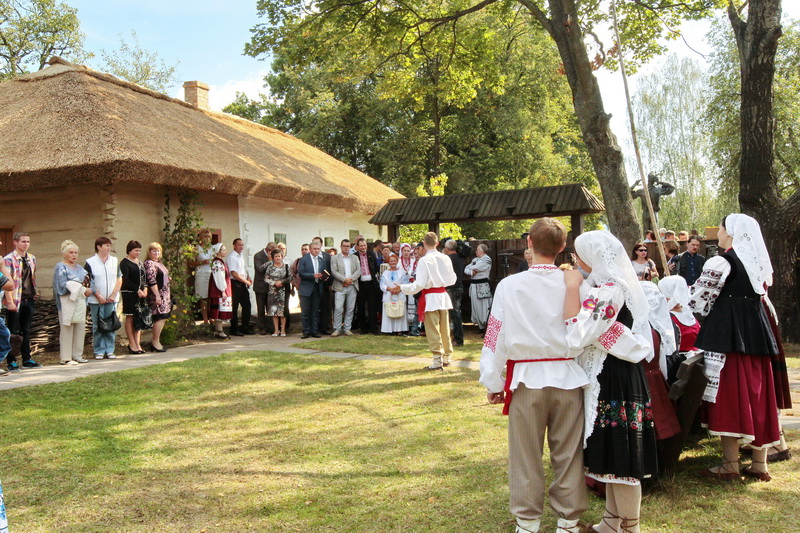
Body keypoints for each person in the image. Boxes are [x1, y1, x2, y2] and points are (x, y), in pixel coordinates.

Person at [479, 218, 589, 533]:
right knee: (569, 452)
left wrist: (493, 380)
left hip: (527, 379)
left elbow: (495, 336)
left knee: (525, 453)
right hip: (566, 376)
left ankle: (528, 522)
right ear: (563, 246)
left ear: (529, 242)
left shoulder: (509, 285)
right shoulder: (575, 282)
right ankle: (567, 521)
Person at [565, 230, 656, 533]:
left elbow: (579, 333)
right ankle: (610, 522)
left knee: (622, 456)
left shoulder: (608, 290)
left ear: (592, 256)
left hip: (614, 376)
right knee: (613, 454)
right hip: (614, 372)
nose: (576, 260)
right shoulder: (608, 286)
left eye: (578, 254)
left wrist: (572, 295)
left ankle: (630, 527)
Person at [688, 214, 780, 482]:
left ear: (730, 231)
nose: (718, 232)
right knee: (758, 394)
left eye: (720, 228)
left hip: (728, 333)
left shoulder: (722, 261)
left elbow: (698, 301)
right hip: (756, 331)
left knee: (729, 394)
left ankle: (730, 465)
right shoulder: (756, 263)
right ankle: (760, 464)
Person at [391, 232, 457, 370]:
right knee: (444, 328)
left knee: (433, 329)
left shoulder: (425, 260)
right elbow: (452, 279)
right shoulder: (445, 258)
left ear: (424, 243)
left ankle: (437, 360)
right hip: (443, 296)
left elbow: (419, 284)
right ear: (437, 243)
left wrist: (402, 287)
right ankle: (447, 356)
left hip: (431, 297)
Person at [3, 232, 41, 370]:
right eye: (23, 241)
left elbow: (32, 276)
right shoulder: (8, 259)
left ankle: (27, 359)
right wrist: (9, 301)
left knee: (26, 330)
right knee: (13, 331)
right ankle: (11, 361)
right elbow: (6, 282)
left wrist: (34, 291)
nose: (26, 244)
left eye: (28, 242)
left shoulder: (31, 258)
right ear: (15, 242)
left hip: (28, 297)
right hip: (15, 298)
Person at [53, 240, 92, 365]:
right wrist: (78, 287)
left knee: (80, 328)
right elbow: (61, 286)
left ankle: (77, 355)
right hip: (67, 302)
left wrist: (86, 289)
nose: (74, 255)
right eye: (71, 252)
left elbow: (86, 282)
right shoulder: (61, 267)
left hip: (80, 301)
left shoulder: (80, 268)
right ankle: (66, 357)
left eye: (76, 252)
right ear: (64, 254)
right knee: (67, 329)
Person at [85, 237, 122, 360]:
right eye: (106, 245)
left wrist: (113, 295)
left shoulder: (114, 261)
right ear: (99, 247)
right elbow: (88, 281)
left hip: (112, 299)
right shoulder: (90, 262)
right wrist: (98, 296)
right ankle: (99, 350)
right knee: (97, 325)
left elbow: (119, 279)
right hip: (96, 300)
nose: (109, 248)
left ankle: (110, 349)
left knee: (111, 324)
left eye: (110, 246)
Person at [120, 240, 147, 354]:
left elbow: (144, 278)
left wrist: (145, 289)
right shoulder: (124, 263)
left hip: (140, 294)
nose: (138, 253)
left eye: (139, 251)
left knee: (138, 317)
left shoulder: (139, 262)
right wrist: (137, 289)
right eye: (136, 250)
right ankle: (131, 343)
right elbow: (126, 279)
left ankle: (138, 343)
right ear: (129, 250)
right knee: (130, 317)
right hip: (129, 293)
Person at [144, 242, 172, 352]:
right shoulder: (149, 263)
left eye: (158, 251)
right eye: (154, 251)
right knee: (160, 317)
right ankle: (155, 342)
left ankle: (157, 341)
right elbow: (151, 280)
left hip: (165, 294)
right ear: (149, 252)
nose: (156, 253)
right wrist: (157, 295)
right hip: (157, 294)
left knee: (164, 317)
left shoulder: (159, 263)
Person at [298, 241, 329, 338]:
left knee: (315, 311)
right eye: (314, 249)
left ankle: (315, 330)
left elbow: (324, 272)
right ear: (310, 249)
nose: (316, 251)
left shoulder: (322, 260)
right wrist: (313, 275)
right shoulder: (304, 259)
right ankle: (306, 331)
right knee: (306, 311)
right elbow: (301, 273)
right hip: (306, 288)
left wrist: (324, 277)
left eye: (318, 249)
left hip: (317, 287)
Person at [330, 239, 361, 337]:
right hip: (340, 286)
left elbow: (359, 271)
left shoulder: (355, 258)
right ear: (341, 246)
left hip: (352, 286)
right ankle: (337, 329)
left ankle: (347, 328)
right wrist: (344, 280)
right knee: (338, 308)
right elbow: (334, 271)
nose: (346, 248)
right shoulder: (335, 258)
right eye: (344, 246)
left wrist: (350, 280)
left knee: (350, 308)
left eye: (348, 246)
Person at [227, 238, 253, 336]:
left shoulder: (241, 256)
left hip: (243, 283)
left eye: (242, 245)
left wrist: (248, 277)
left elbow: (243, 269)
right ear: (234, 246)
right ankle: (234, 329)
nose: (241, 247)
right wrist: (245, 281)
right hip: (235, 283)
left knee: (247, 305)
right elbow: (234, 273)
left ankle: (245, 327)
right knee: (234, 307)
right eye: (239, 245)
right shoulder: (232, 257)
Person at [355, 238, 381, 335]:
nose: (363, 247)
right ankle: (363, 328)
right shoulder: (355, 256)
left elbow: (376, 267)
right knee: (361, 306)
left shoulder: (371, 254)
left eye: (364, 245)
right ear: (357, 247)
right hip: (360, 284)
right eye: (361, 246)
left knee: (372, 306)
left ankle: (373, 327)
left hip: (371, 283)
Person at [464, 243, 492, 333]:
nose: (476, 251)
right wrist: (471, 272)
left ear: (482, 251)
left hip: (482, 285)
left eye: (478, 250)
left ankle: (485, 325)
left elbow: (478, 267)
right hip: (474, 285)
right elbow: (466, 269)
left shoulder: (487, 259)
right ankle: (480, 326)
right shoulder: (475, 259)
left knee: (483, 305)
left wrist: (472, 268)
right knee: (475, 305)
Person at [208, 243, 232, 340]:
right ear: (218, 252)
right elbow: (219, 277)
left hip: (222, 289)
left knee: (221, 311)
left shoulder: (221, 262)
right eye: (223, 250)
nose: (226, 251)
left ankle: (219, 330)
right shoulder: (217, 263)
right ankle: (219, 331)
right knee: (219, 310)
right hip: (219, 290)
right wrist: (222, 290)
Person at [443, 240, 465, 346]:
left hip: (452, 287)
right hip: (459, 286)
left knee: (455, 314)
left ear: (447, 248)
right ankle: (455, 337)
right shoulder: (460, 257)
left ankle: (458, 339)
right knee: (456, 312)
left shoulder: (448, 259)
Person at [380, 254, 408, 335]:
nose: (393, 262)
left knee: (399, 309)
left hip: (399, 294)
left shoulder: (402, 272)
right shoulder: (385, 273)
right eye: (391, 261)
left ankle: (399, 330)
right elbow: (382, 284)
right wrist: (389, 289)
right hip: (388, 294)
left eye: (394, 261)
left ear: (397, 261)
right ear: (388, 262)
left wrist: (398, 289)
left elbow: (406, 283)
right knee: (388, 310)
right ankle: (389, 329)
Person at [265, 248, 291, 336]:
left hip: (283, 291)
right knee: (274, 311)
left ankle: (283, 330)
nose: (277, 258)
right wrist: (274, 283)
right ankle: (276, 330)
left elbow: (290, 277)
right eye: (276, 256)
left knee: (282, 311)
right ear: (273, 257)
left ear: (282, 257)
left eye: (279, 256)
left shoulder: (286, 267)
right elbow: (266, 279)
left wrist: (281, 282)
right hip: (273, 291)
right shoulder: (270, 267)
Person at [191, 229, 214, 324]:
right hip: (201, 274)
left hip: (212, 274)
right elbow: (191, 263)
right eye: (205, 236)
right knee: (203, 297)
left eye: (209, 237)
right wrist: (202, 262)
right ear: (201, 237)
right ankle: (205, 319)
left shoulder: (213, 248)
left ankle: (212, 317)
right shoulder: (197, 248)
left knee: (212, 296)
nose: (207, 238)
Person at [253, 242, 277, 335]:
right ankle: (262, 327)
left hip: (270, 286)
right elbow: (260, 269)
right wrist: (270, 261)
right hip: (260, 286)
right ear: (268, 250)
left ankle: (271, 328)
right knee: (261, 308)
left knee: (270, 308)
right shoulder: (258, 255)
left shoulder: (274, 256)